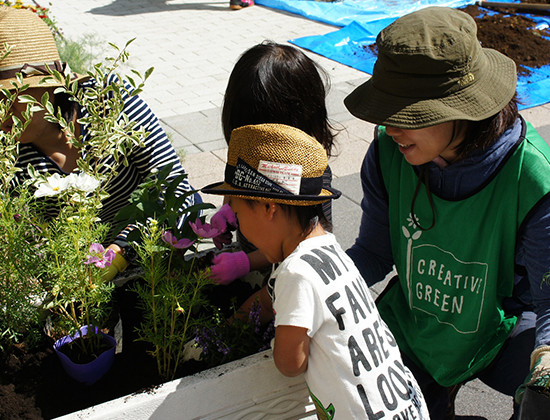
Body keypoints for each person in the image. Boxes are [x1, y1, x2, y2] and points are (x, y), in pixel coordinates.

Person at [343, 6, 550, 419]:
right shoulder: (389, 154)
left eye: (407, 115)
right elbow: (373, 252)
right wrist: (310, 288)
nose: (390, 126)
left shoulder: (531, 179)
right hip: (421, 318)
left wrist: (545, 370)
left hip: (503, 326)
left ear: (463, 108)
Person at [202, 122, 429, 419]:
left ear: (269, 207)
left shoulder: (296, 273)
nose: (240, 228)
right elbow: (266, 301)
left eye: (239, 212)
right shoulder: (329, 251)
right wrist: (231, 327)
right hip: (405, 406)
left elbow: (290, 363)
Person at [0, 8, 201, 281]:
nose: (2, 110)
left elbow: (172, 186)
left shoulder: (107, 102)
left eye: (9, 95)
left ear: (48, 84)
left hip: (158, 241)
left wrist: (117, 255)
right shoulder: (9, 155)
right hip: (84, 278)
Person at [210, 41, 336, 293]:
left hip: (290, 280)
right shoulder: (247, 151)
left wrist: (246, 261)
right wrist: (228, 209)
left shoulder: (306, 179)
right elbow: (235, 183)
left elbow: (310, 242)